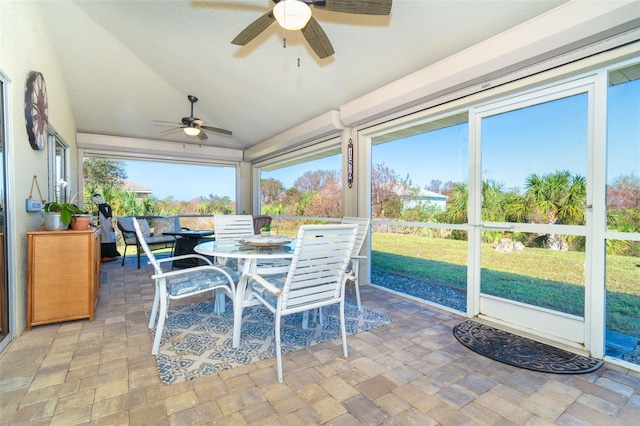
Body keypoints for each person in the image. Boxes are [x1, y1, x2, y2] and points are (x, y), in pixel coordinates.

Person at [91, 193, 120, 262]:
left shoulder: (101, 206)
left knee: (105, 238)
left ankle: (107, 255)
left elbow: (107, 216)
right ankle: (111, 254)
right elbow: (109, 216)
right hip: (107, 224)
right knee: (109, 237)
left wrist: (109, 222)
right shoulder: (108, 206)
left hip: (104, 225)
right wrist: (111, 223)